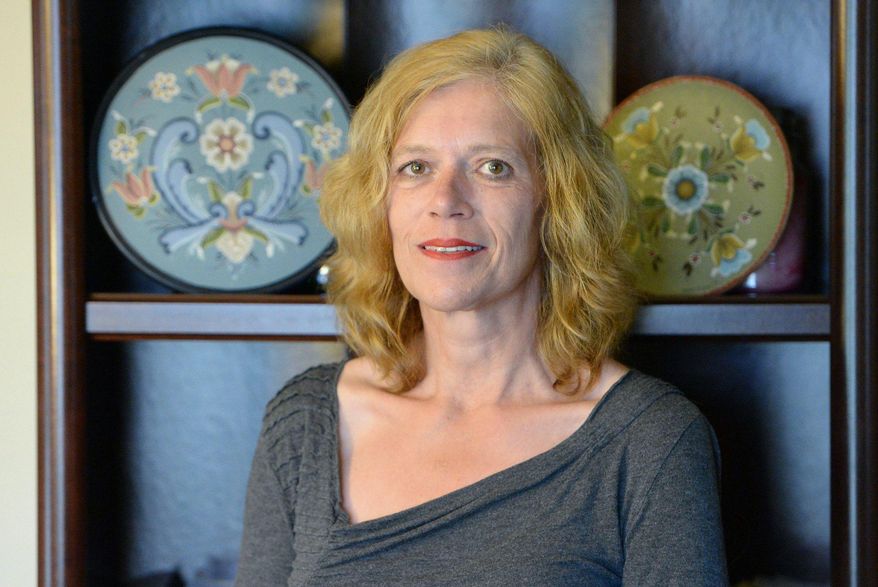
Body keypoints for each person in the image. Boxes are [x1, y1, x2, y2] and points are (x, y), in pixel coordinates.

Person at [235, 28, 727, 586]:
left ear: (557, 202)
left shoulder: (650, 441)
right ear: (381, 202)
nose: (446, 202)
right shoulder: (306, 421)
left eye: (492, 167)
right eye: (415, 168)